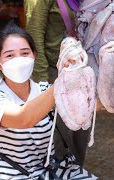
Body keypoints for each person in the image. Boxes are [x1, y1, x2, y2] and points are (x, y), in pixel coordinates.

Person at [0, 20, 96, 179]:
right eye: (10, 55)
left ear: (34, 56)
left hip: (51, 170)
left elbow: (90, 106)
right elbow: (23, 118)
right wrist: (63, 81)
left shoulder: (44, 90)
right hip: (10, 175)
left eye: (25, 53)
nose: (19, 60)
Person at [24, 0, 90, 167]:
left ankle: (75, 172)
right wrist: (41, 83)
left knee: (81, 132)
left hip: (82, 69)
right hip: (54, 72)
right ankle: (58, 172)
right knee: (59, 137)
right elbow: (34, 33)